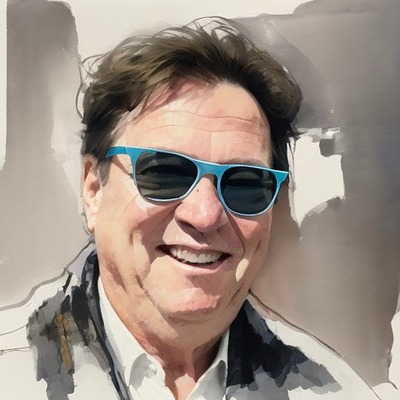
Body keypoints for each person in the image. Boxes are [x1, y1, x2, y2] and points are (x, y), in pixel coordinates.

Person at [0, 17, 381, 400]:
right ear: (93, 189)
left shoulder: (331, 391)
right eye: (164, 172)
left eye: (244, 183)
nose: (205, 215)